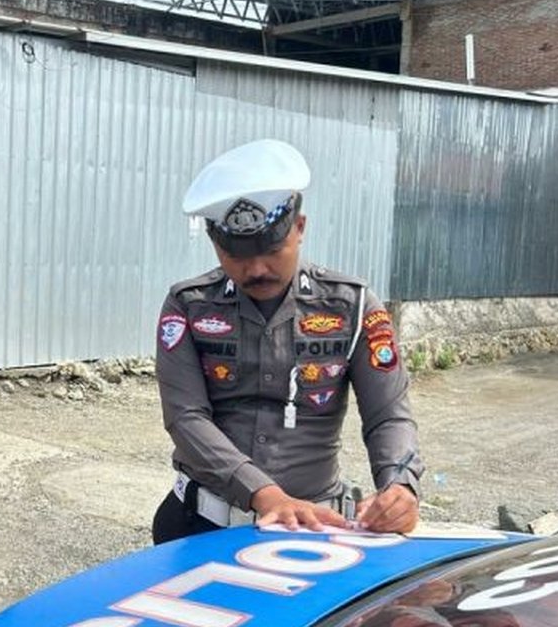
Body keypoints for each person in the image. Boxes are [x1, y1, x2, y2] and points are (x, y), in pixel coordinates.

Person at [151, 138, 422, 545]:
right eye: (236, 255)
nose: (256, 268)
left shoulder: (353, 305)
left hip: (314, 534)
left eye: (272, 250)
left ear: (299, 227)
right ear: (215, 244)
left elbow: (388, 415)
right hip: (200, 530)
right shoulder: (188, 307)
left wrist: (400, 485)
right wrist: (266, 495)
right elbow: (186, 418)